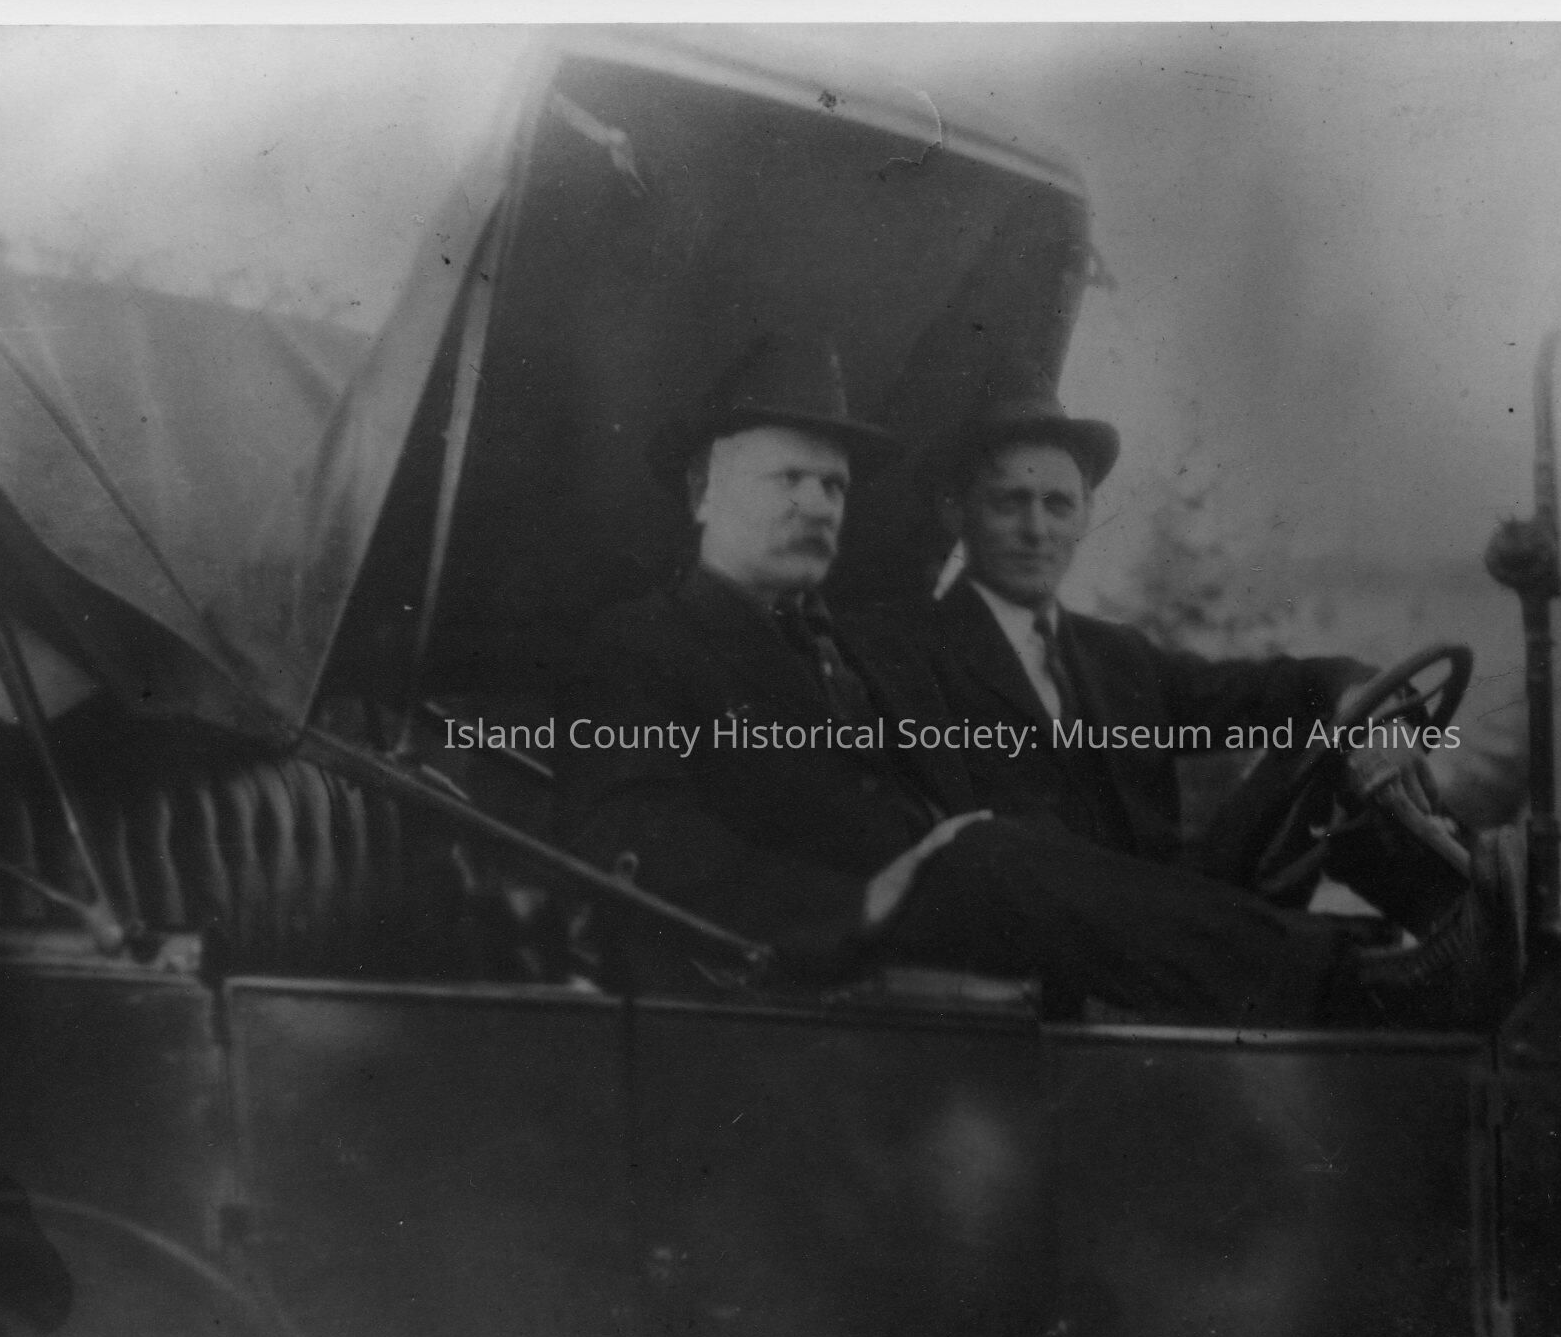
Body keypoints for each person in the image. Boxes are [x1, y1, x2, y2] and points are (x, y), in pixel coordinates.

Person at [551, 335, 1413, 1024]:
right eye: (789, 480)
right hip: (816, 951)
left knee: (1317, 755)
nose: (817, 505)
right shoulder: (645, 642)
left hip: (956, 919)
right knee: (996, 850)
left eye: (835, 488)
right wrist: (863, 898)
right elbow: (632, 835)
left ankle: (1431, 931)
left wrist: (1351, 700)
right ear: (702, 493)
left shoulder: (834, 647)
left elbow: (1244, 700)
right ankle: (1365, 982)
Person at [926, 384, 1376, 868]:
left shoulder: (1118, 655)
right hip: (1026, 909)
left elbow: (1270, 690)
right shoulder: (909, 656)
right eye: (1009, 503)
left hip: (1167, 907)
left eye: (1058, 505)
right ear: (955, 511)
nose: (1036, 530)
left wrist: (1366, 705)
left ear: (1086, 515)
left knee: (1335, 747)